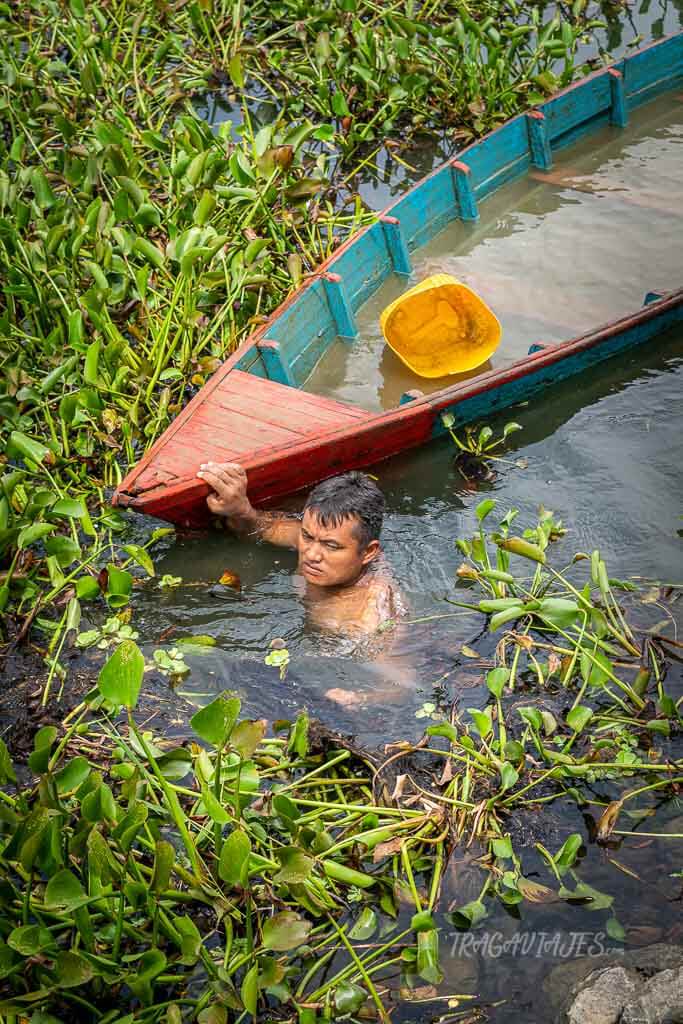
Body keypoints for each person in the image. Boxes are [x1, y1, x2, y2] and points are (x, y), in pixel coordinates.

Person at [196, 462, 406, 647]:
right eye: (307, 536)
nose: (311, 554)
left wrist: (360, 694)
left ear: (368, 552)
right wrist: (239, 508)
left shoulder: (368, 618)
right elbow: (261, 525)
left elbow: (396, 680)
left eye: (331, 546)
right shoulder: (317, 537)